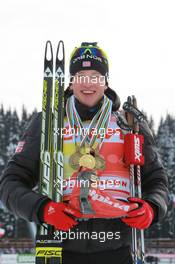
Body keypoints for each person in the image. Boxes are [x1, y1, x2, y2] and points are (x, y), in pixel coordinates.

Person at [0, 42, 169, 264]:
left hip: (118, 249)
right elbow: (10, 184)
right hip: (59, 249)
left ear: (106, 81)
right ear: (71, 81)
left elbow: (157, 181)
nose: (88, 83)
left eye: (95, 76)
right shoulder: (48, 123)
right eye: (80, 75)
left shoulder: (128, 123)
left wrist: (153, 207)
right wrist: (43, 209)